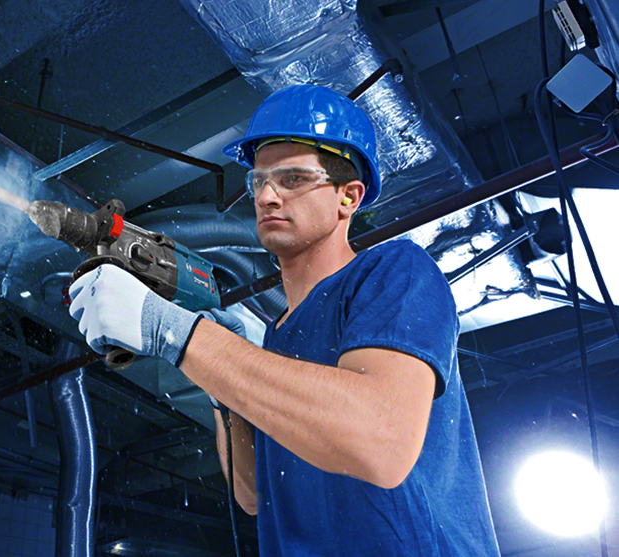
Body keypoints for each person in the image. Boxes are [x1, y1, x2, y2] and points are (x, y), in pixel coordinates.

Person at [67, 84, 500, 556]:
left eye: (293, 179)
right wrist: (223, 390)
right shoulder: (275, 339)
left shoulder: (394, 272)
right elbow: (252, 493)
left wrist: (176, 333)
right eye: (258, 181)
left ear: (348, 198)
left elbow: (380, 440)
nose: (267, 195)